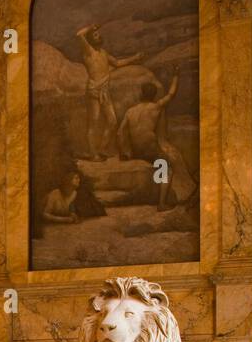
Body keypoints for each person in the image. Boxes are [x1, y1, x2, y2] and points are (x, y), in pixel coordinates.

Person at [116, 67, 196, 208]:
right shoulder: (156, 107)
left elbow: (120, 133)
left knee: (158, 163)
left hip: (136, 151)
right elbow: (171, 94)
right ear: (154, 95)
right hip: (150, 150)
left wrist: (124, 152)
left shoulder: (130, 111)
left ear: (141, 94)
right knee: (166, 167)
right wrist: (176, 76)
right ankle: (161, 203)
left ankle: (158, 195)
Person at [76, 23, 141, 160]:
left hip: (105, 91)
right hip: (94, 91)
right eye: (95, 35)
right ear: (90, 40)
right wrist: (91, 27)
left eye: (98, 34)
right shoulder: (88, 51)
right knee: (94, 122)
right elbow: (79, 35)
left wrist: (135, 58)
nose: (98, 36)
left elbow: (117, 63)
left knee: (112, 121)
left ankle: (102, 149)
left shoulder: (103, 53)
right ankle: (94, 154)